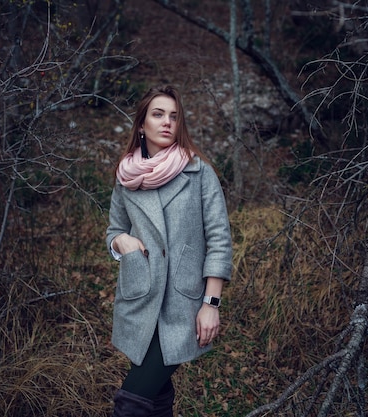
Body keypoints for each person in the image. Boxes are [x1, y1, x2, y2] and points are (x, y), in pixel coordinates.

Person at [105, 85, 233, 417]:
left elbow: (219, 239)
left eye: (174, 117)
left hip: (183, 304)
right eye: (158, 114)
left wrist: (211, 304)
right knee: (157, 398)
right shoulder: (126, 176)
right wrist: (123, 243)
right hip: (140, 301)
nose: (167, 123)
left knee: (131, 403)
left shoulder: (197, 171)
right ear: (141, 125)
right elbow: (114, 230)